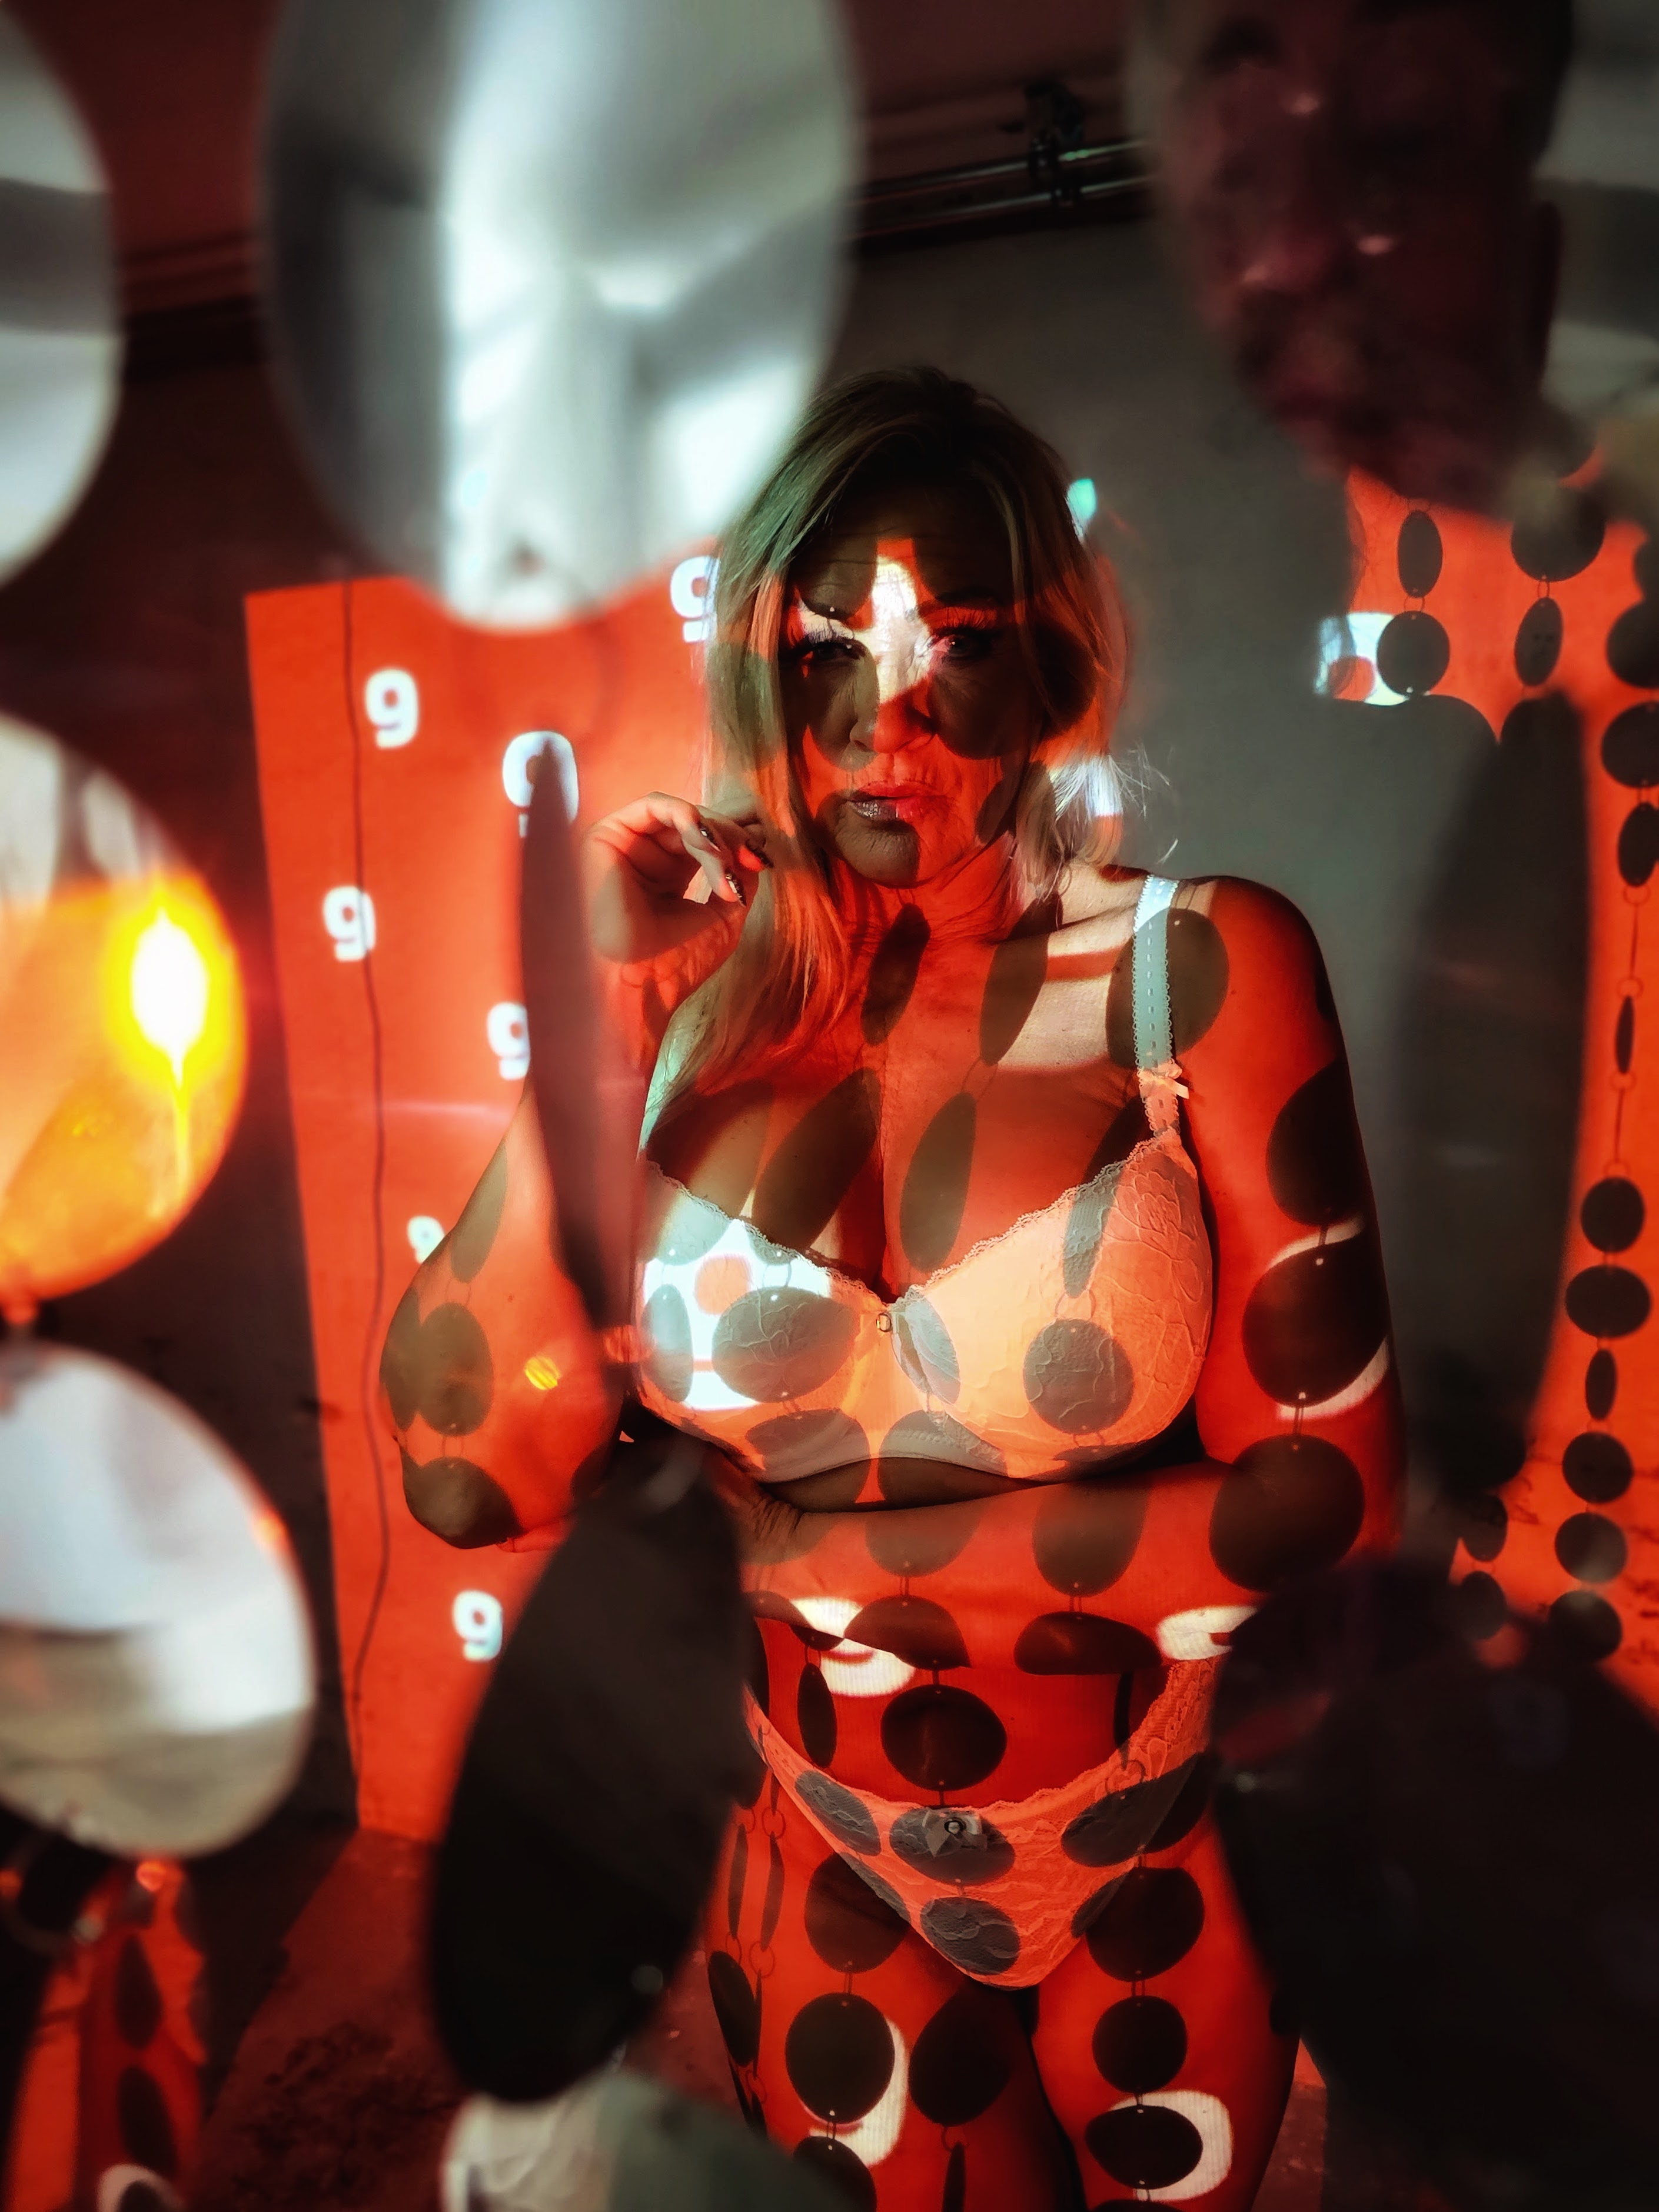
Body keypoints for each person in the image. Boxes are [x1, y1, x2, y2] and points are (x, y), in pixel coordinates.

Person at [385, 368, 1403, 2211]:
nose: (884, 724)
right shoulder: (688, 1026)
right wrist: (598, 1023)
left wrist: (788, 1557)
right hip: (816, 1848)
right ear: (755, 681)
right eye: (822, 659)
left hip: (1156, 1838)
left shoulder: (1193, 971)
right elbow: (465, 1473)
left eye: (956, 649)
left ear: (1053, 667)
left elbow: (1324, 1511)